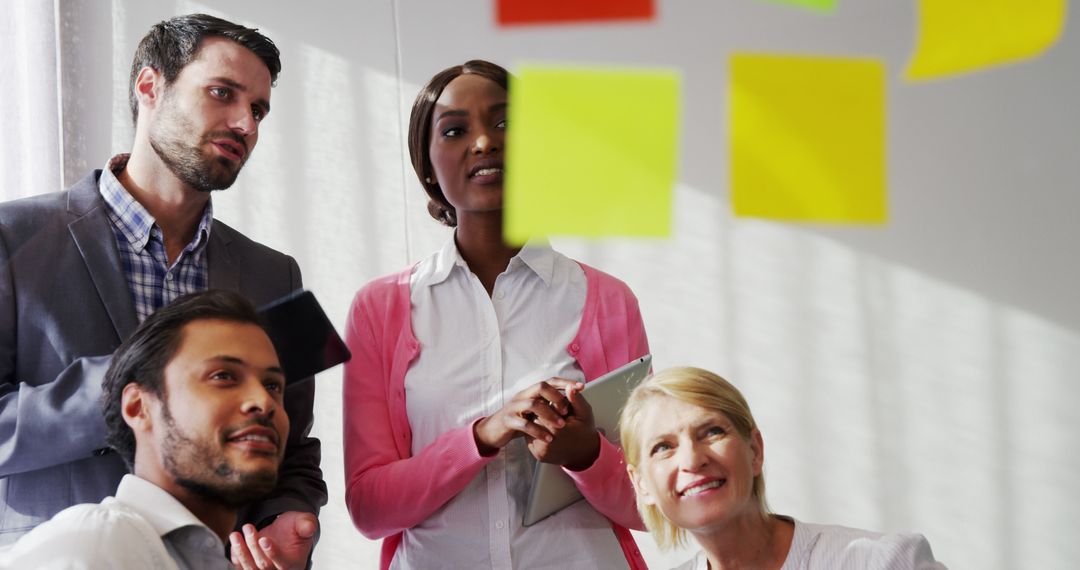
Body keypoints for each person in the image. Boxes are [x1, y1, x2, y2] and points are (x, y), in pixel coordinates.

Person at [0, 14, 324, 562]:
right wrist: (135, 384)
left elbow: (296, 450)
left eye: (259, 109)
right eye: (222, 93)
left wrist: (288, 516)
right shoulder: (11, 238)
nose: (245, 123)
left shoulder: (279, 274)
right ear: (150, 86)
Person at [342, 59, 651, 569]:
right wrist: (481, 436)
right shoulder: (379, 308)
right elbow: (370, 509)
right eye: (456, 130)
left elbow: (651, 501)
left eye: (505, 122)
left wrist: (585, 455)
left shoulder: (609, 300)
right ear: (427, 169)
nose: (484, 142)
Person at [0, 290, 300, 569]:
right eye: (223, 376)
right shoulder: (95, 546)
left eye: (273, 385)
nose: (263, 401)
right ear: (137, 407)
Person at [620, 367, 948, 570]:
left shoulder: (881, 562)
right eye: (663, 448)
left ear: (755, 450)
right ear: (642, 485)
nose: (692, 460)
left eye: (711, 432)